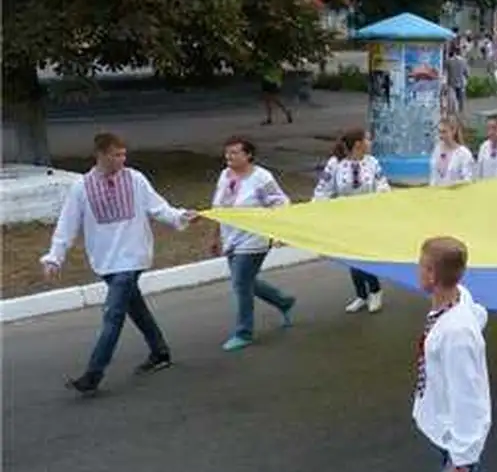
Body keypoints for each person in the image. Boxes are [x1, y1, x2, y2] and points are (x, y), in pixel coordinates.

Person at [42, 133, 197, 395]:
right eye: (116, 155)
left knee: (113, 315)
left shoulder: (135, 179)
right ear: (100, 155)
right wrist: (54, 257)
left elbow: (158, 208)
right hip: (105, 259)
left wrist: (181, 216)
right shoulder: (82, 187)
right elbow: (67, 225)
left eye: (124, 154)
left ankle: (93, 374)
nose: (121, 160)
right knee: (135, 308)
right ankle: (160, 352)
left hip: (132, 257)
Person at [412, 236, 491, 472]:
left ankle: (465, 466)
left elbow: (467, 396)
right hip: (449, 432)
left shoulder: (456, 333)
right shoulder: (460, 298)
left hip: (458, 440)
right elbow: (478, 313)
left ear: (432, 274)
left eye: (421, 265)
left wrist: (461, 460)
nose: (417, 270)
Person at [211, 136, 296, 352]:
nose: (229, 157)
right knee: (246, 281)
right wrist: (214, 237)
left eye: (235, 152)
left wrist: (270, 224)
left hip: (254, 239)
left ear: (248, 155)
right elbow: (218, 207)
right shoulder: (225, 175)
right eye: (227, 152)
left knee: (241, 284)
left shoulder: (261, 178)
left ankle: (244, 332)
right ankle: (283, 301)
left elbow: (281, 202)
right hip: (231, 237)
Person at [313, 129, 391, 314]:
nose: (370, 143)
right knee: (350, 257)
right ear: (358, 144)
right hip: (346, 217)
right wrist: (314, 210)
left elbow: (382, 185)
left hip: (368, 217)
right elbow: (323, 189)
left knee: (365, 256)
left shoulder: (372, 163)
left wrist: (384, 200)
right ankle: (361, 295)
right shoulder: (335, 164)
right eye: (368, 139)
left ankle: (375, 291)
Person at [430, 116, 476, 187]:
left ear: (453, 131)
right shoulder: (437, 150)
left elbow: (468, 180)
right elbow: (434, 176)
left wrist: (450, 185)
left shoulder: (463, 153)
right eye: (439, 132)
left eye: (444, 132)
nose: (441, 135)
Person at [446, 47, 470, 113]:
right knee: (461, 98)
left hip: (451, 82)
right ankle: (461, 111)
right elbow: (467, 73)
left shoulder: (448, 61)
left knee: (451, 99)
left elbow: (446, 72)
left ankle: (451, 112)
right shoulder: (463, 61)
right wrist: (467, 78)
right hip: (461, 82)